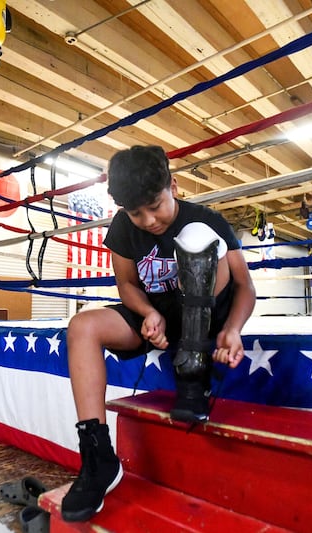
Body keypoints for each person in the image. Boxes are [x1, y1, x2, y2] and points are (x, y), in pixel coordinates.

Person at [61, 145, 256, 522]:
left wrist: (233, 329)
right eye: (137, 213)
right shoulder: (123, 227)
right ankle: (97, 456)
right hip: (158, 318)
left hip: (204, 318)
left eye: (155, 205)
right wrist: (148, 312)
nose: (149, 220)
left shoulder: (207, 219)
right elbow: (127, 284)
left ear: (174, 186)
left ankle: (193, 374)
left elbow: (245, 286)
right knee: (82, 326)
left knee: (200, 239)